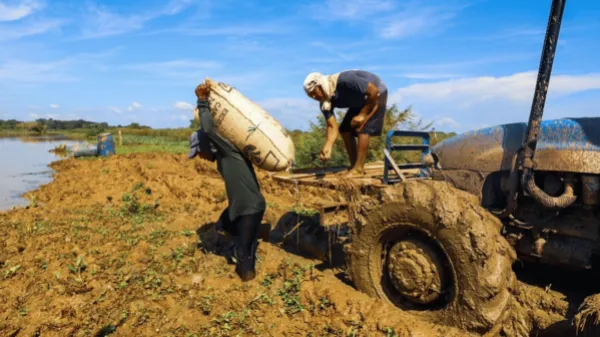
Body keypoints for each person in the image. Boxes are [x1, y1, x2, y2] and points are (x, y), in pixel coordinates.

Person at [188, 82, 266, 282]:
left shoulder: (228, 151)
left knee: (245, 256)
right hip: (241, 207)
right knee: (223, 226)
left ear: (207, 146)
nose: (200, 157)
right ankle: (234, 242)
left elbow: (209, 129)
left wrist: (202, 101)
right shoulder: (222, 159)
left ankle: (247, 286)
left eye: (198, 152)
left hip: (250, 209)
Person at [303, 70, 388, 176]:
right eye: (311, 96)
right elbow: (332, 126)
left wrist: (363, 114)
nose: (315, 98)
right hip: (360, 102)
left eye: (314, 93)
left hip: (376, 94)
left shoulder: (345, 80)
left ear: (321, 86)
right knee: (345, 129)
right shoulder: (325, 104)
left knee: (362, 128)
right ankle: (353, 166)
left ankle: (358, 169)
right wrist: (328, 145)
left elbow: (373, 91)